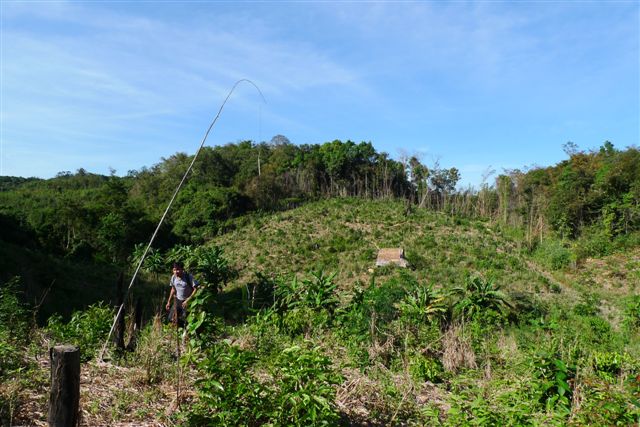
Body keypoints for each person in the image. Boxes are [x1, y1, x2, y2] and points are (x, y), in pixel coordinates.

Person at [165, 262, 199, 327]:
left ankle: (185, 333)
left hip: (187, 302)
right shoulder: (173, 277)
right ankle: (179, 331)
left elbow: (195, 289)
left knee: (185, 320)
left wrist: (188, 300)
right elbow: (173, 289)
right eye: (174, 270)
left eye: (178, 269)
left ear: (182, 269)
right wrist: (168, 302)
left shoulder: (188, 277)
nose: (176, 272)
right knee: (170, 319)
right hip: (178, 300)